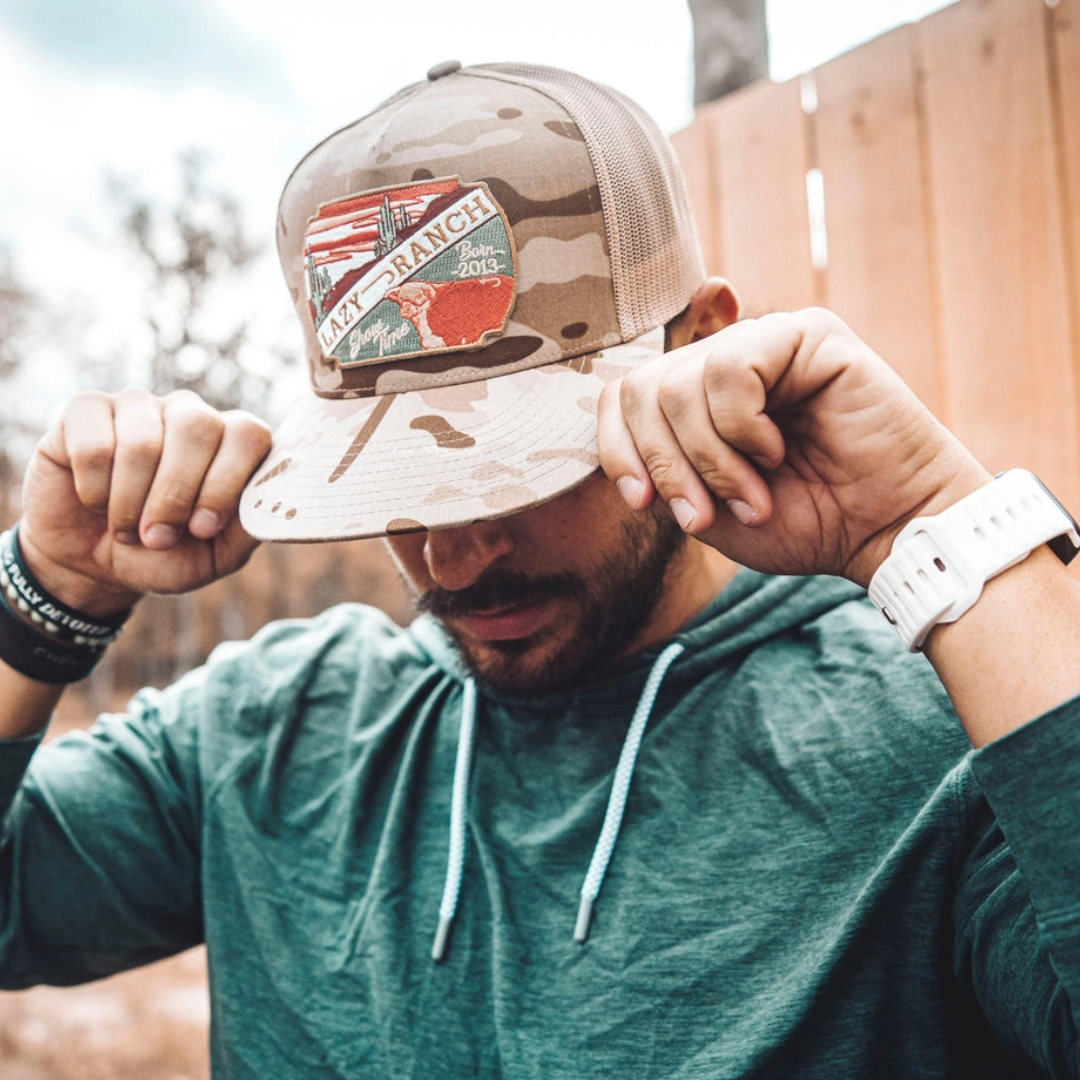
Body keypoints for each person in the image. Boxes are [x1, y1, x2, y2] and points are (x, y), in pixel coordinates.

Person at [2, 60, 1080, 1079]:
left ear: (699, 339)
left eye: (517, 469)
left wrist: (937, 526)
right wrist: (44, 591)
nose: (456, 555)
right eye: (403, 486)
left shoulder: (937, 740)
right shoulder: (270, 735)